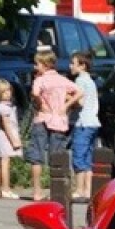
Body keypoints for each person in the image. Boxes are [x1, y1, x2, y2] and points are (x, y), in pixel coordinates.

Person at [27, 48, 81, 201]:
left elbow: (35, 93)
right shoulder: (62, 80)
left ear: (44, 65)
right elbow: (79, 91)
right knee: (56, 156)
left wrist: (40, 103)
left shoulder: (40, 80)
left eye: (37, 64)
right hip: (59, 119)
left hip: (42, 118)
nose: (35, 67)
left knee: (36, 155)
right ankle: (56, 190)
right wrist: (67, 105)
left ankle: (37, 191)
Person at [68, 51, 100, 203]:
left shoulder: (80, 81)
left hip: (83, 123)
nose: (70, 66)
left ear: (82, 66)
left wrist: (66, 97)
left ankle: (79, 189)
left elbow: (79, 101)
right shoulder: (91, 81)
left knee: (79, 156)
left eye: (73, 63)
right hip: (93, 122)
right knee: (88, 157)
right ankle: (88, 190)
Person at [0, 79, 21, 199]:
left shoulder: (0, 106)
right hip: (6, 137)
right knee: (5, 162)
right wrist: (14, 140)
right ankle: (6, 188)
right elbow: (6, 125)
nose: (8, 94)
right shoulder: (4, 107)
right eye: (4, 92)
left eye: (9, 91)